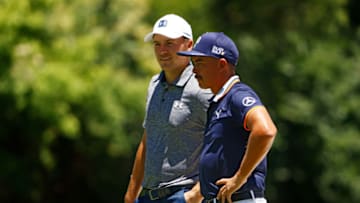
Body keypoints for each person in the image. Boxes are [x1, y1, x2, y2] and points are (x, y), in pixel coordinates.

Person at [177, 32, 277, 203]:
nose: (194, 70)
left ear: (222, 64)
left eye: (200, 62)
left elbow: (265, 130)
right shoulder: (218, 102)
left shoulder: (237, 95)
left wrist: (239, 178)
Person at [124, 14, 212, 203]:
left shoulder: (202, 88)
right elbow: (148, 140)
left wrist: (196, 194)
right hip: (147, 196)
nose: (162, 51)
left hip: (182, 195)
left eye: (170, 43)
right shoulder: (154, 84)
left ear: (189, 45)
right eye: (157, 44)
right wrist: (131, 194)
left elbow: (224, 143)